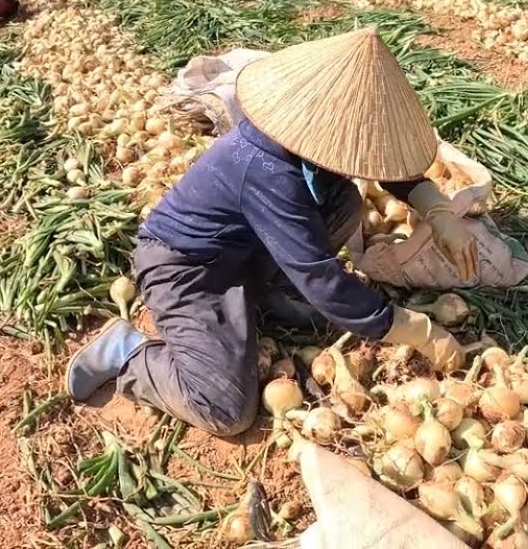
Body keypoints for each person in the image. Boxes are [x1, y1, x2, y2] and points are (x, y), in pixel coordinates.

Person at [63, 28, 478, 437]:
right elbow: (321, 277)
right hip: (186, 267)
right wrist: (420, 331)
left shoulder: (311, 137)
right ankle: (127, 353)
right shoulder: (270, 171)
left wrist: (438, 211)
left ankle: (264, 294)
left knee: (343, 200)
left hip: (241, 250)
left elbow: (383, 162)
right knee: (225, 408)